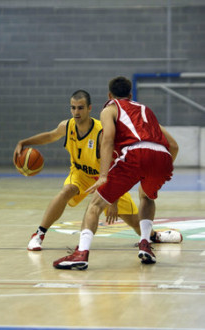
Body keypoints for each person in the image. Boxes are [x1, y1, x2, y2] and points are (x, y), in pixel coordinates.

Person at [13, 90, 181, 253]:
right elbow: (50, 136)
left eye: (80, 108)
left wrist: (113, 200)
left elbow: (116, 163)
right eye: (73, 107)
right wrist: (24, 142)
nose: (76, 112)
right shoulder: (67, 126)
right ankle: (39, 234)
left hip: (106, 177)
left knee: (135, 224)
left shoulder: (101, 131)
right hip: (80, 175)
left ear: (89, 108)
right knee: (66, 191)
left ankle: (153, 235)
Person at [53, 78, 179, 270]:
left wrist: (103, 176)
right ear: (131, 95)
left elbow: (108, 139)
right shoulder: (146, 110)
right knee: (146, 197)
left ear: (109, 96)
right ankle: (145, 243)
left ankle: (81, 253)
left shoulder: (110, 108)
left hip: (135, 153)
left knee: (94, 205)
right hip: (162, 156)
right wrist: (161, 166)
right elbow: (173, 145)